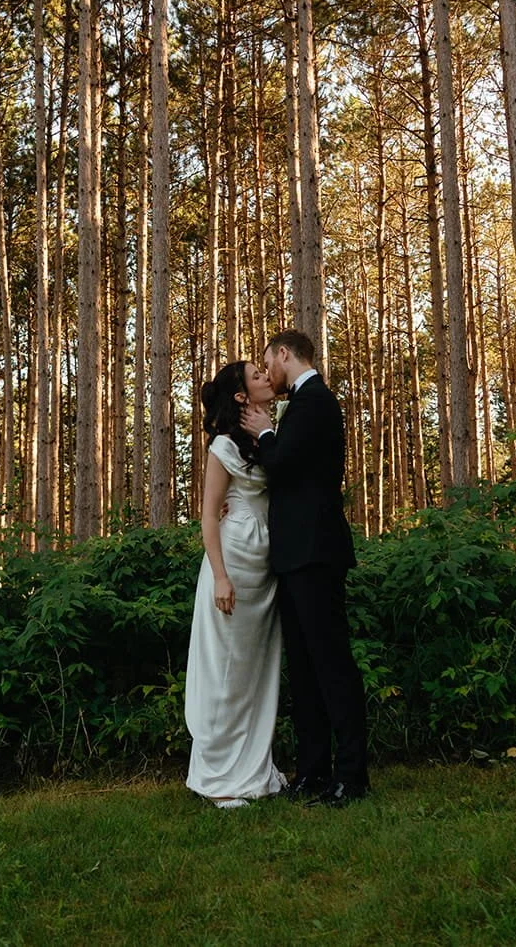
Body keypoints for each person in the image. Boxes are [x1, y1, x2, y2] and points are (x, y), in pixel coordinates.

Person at [241, 329, 369, 807]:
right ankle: (313, 771)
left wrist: (264, 432)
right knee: (304, 668)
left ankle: (351, 775)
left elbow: (283, 463)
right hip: (296, 555)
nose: (267, 372)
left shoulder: (315, 401)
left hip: (316, 553)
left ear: (284, 354)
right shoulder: (302, 404)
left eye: (267, 362)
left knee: (331, 665)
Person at [184, 361, 287, 808]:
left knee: (254, 671)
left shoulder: (266, 436)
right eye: (257, 375)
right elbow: (209, 516)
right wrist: (221, 577)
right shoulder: (223, 446)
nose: (266, 376)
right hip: (234, 559)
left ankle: (253, 769)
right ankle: (218, 778)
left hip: (264, 562)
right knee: (226, 668)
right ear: (241, 396)